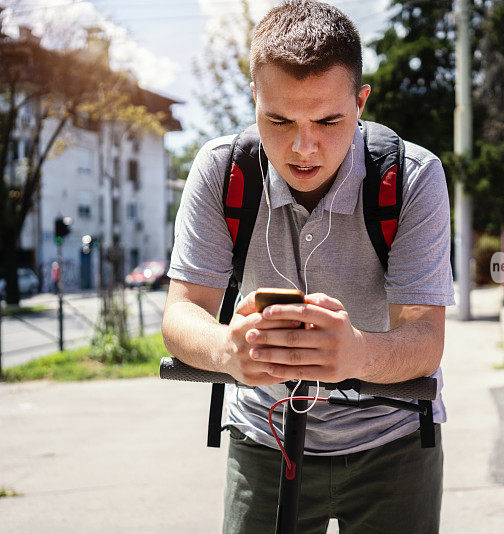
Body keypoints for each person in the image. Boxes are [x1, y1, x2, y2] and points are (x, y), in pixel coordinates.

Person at [161, 1, 455, 532]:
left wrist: (356, 352)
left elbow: (426, 338)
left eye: (328, 120)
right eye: (278, 119)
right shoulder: (220, 170)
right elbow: (181, 314)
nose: (303, 147)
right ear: (254, 98)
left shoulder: (412, 177)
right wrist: (226, 349)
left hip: (394, 441)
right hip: (263, 437)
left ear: (361, 100)